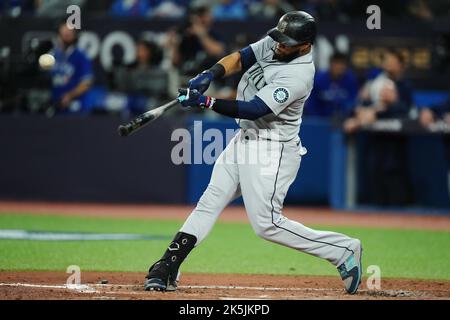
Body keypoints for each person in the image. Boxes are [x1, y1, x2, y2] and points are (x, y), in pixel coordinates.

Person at [144, 11, 363, 295]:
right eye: (279, 39)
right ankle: (167, 265)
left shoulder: (299, 74)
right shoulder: (278, 44)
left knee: (267, 225)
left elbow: (255, 108)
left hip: (272, 149)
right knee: (209, 202)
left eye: (286, 43)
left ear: (305, 46)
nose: (278, 45)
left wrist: (206, 101)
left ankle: (343, 249)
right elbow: (240, 57)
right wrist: (209, 74)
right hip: (244, 139)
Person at [344, 50, 414, 206]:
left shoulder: (405, 85)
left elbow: (407, 111)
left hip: (396, 139)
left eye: (392, 60)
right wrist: (361, 110)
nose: (388, 64)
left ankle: (400, 211)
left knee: (393, 172)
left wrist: (394, 102)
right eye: (386, 60)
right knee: (375, 170)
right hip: (376, 137)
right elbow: (364, 106)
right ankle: (378, 212)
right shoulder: (376, 82)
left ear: (401, 64)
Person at [169, 4, 226, 76]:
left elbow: (218, 52)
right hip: (186, 76)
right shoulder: (186, 36)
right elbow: (175, 62)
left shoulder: (214, 34)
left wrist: (201, 34)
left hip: (209, 78)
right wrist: (175, 45)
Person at [50, 22, 93, 113]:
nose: (65, 39)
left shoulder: (80, 56)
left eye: (68, 35)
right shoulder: (52, 55)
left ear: (74, 37)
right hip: (55, 105)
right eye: (63, 35)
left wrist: (70, 95)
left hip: (75, 106)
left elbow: (87, 83)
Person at [305, 52, 358, 118]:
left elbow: (353, 101)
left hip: (343, 121)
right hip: (320, 120)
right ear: (331, 64)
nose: (339, 67)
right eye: (337, 63)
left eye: (342, 64)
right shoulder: (319, 79)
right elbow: (312, 104)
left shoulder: (351, 79)